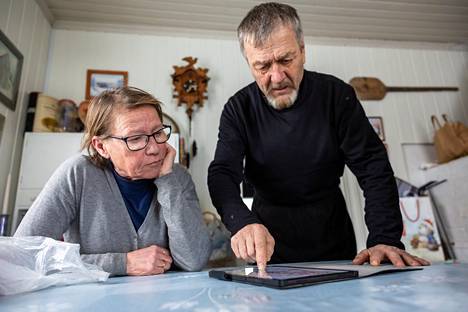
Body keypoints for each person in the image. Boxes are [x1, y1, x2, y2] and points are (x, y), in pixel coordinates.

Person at [208, 2, 429, 270]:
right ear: (249, 63)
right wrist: (241, 222)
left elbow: (373, 168)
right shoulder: (238, 109)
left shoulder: (337, 96)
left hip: (333, 236)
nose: (276, 77)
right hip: (269, 244)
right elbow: (222, 173)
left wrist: (385, 238)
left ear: (302, 51)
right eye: (263, 66)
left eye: (286, 60)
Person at [15, 87, 211, 276]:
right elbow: (21, 255)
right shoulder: (78, 174)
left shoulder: (178, 177)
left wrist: (168, 181)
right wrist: (123, 263)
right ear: (101, 146)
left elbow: (194, 260)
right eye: (135, 138)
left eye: (158, 132)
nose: (154, 148)